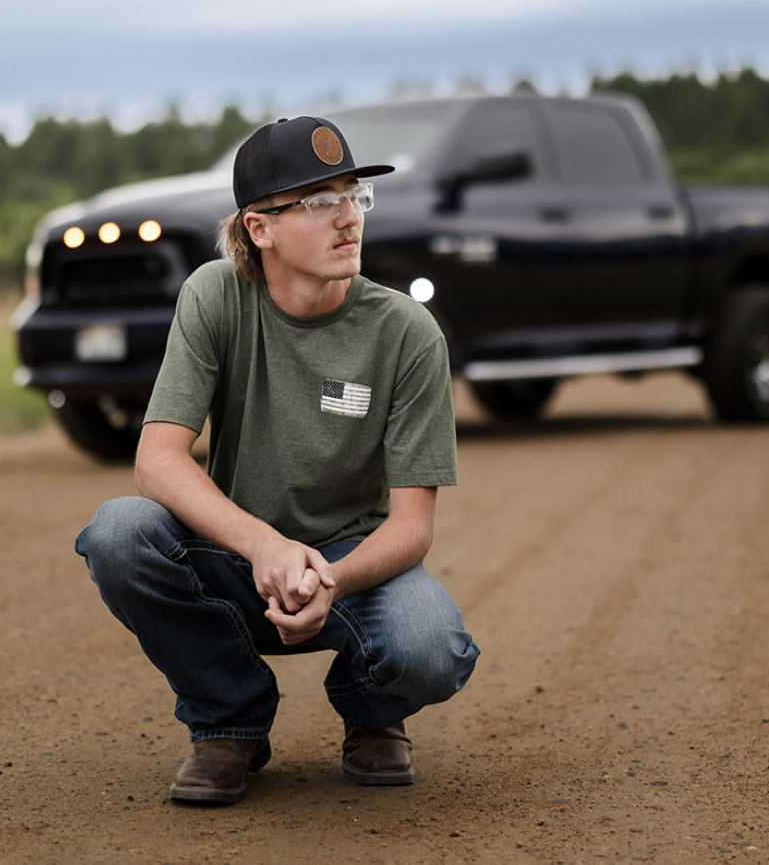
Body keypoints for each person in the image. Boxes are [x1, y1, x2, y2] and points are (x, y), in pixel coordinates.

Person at [74, 114, 480, 805]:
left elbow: (412, 525)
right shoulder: (216, 295)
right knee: (119, 532)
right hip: (234, 557)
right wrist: (264, 547)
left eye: (355, 197)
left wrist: (335, 581)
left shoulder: (406, 333)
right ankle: (228, 720)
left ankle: (372, 713)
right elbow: (157, 461)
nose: (349, 219)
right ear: (259, 228)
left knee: (431, 651)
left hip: (349, 564)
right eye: (321, 203)